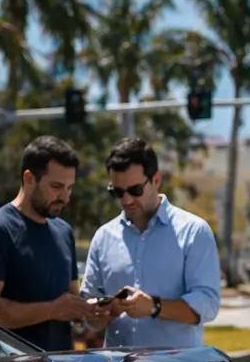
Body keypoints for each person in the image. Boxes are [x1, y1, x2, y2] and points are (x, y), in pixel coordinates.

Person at [0, 136, 105, 351]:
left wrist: (97, 310)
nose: (65, 197)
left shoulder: (63, 232)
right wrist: (53, 309)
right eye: (57, 186)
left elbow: (69, 303)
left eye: (69, 188)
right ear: (29, 179)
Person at [82, 137, 221, 347]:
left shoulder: (193, 231)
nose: (126, 200)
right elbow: (89, 314)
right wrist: (102, 311)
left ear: (156, 180)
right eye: (117, 192)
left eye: (135, 190)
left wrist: (155, 306)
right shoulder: (103, 237)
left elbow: (208, 305)